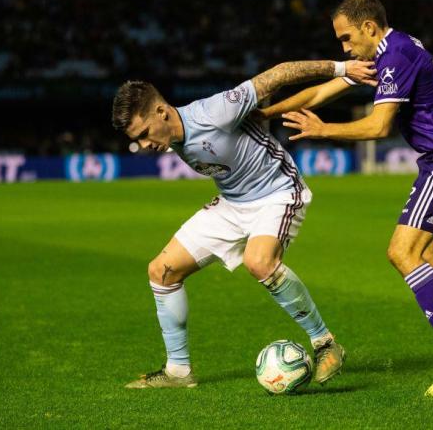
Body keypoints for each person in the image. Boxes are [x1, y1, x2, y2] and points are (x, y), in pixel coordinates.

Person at [260, 0, 433, 397]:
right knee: (428, 253)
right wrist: (265, 113)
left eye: (346, 38)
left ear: (369, 27)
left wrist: (325, 130)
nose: (343, 48)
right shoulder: (390, 51)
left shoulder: (396, 56)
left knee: (401, 252)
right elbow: (323, 91)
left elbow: (377, 127)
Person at [112, 58, 377, 388]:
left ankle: (326, 344)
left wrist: (342, 69)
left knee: (259, 261)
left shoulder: (215, 111)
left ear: (162, 112)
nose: (145, 144)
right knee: (161, 272)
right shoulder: (174, 136)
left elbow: (279, 75)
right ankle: (178, 372)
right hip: (232, 204)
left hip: (277, 192)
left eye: (145, 133)